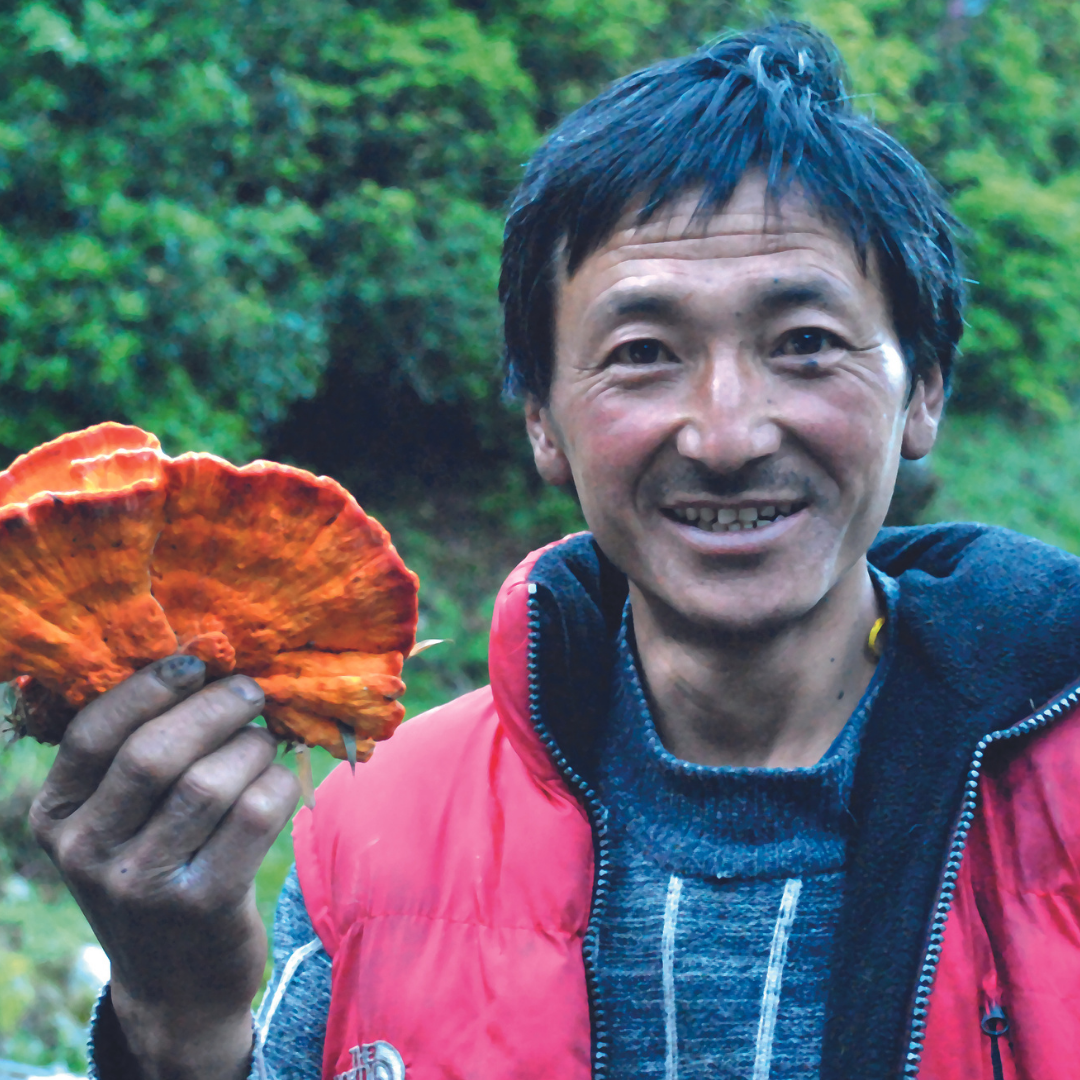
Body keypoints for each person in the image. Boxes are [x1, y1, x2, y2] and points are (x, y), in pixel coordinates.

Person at [28, 21, 1080, 1080]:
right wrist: (177, 1021)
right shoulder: (375, 830)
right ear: (543, 420)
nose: (726, 434)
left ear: (925, 390)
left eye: (805, 344)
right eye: (642, 354)